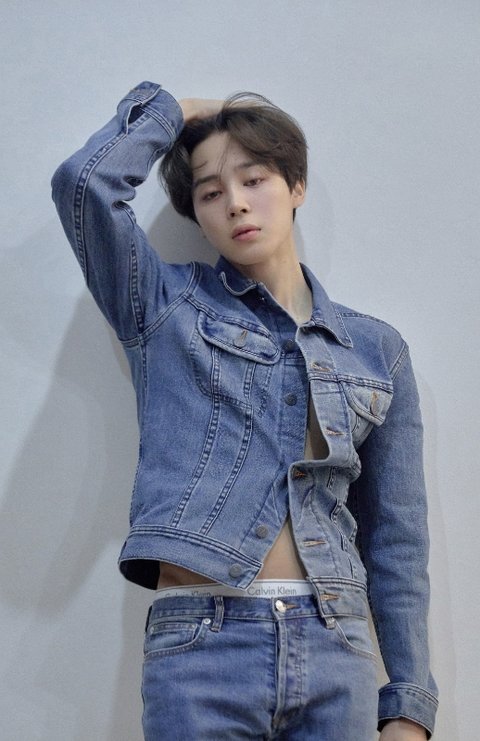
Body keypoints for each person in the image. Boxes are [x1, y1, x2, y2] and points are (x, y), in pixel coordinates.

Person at [52, 81, 438, 740]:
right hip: (202, 643)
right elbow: (83, 187)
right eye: (209, 192)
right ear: (197, 214)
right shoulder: (165, 307)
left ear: (296, 185)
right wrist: (177, 111)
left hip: (336, 648)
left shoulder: (378, 350)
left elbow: (397, 540)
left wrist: (407, 702)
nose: (235, 202)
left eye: (254, 179)